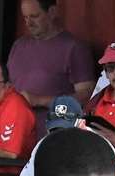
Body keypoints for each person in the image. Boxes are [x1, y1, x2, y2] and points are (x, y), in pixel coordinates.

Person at [6, 0, 96, 136]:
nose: (28, 23)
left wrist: (39, 100)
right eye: (25, 17)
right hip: (13, 138)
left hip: (52, 139)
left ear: (52, 12)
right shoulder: (19, 46)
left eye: (35, 16)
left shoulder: (74, 48)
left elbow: (87, 96)